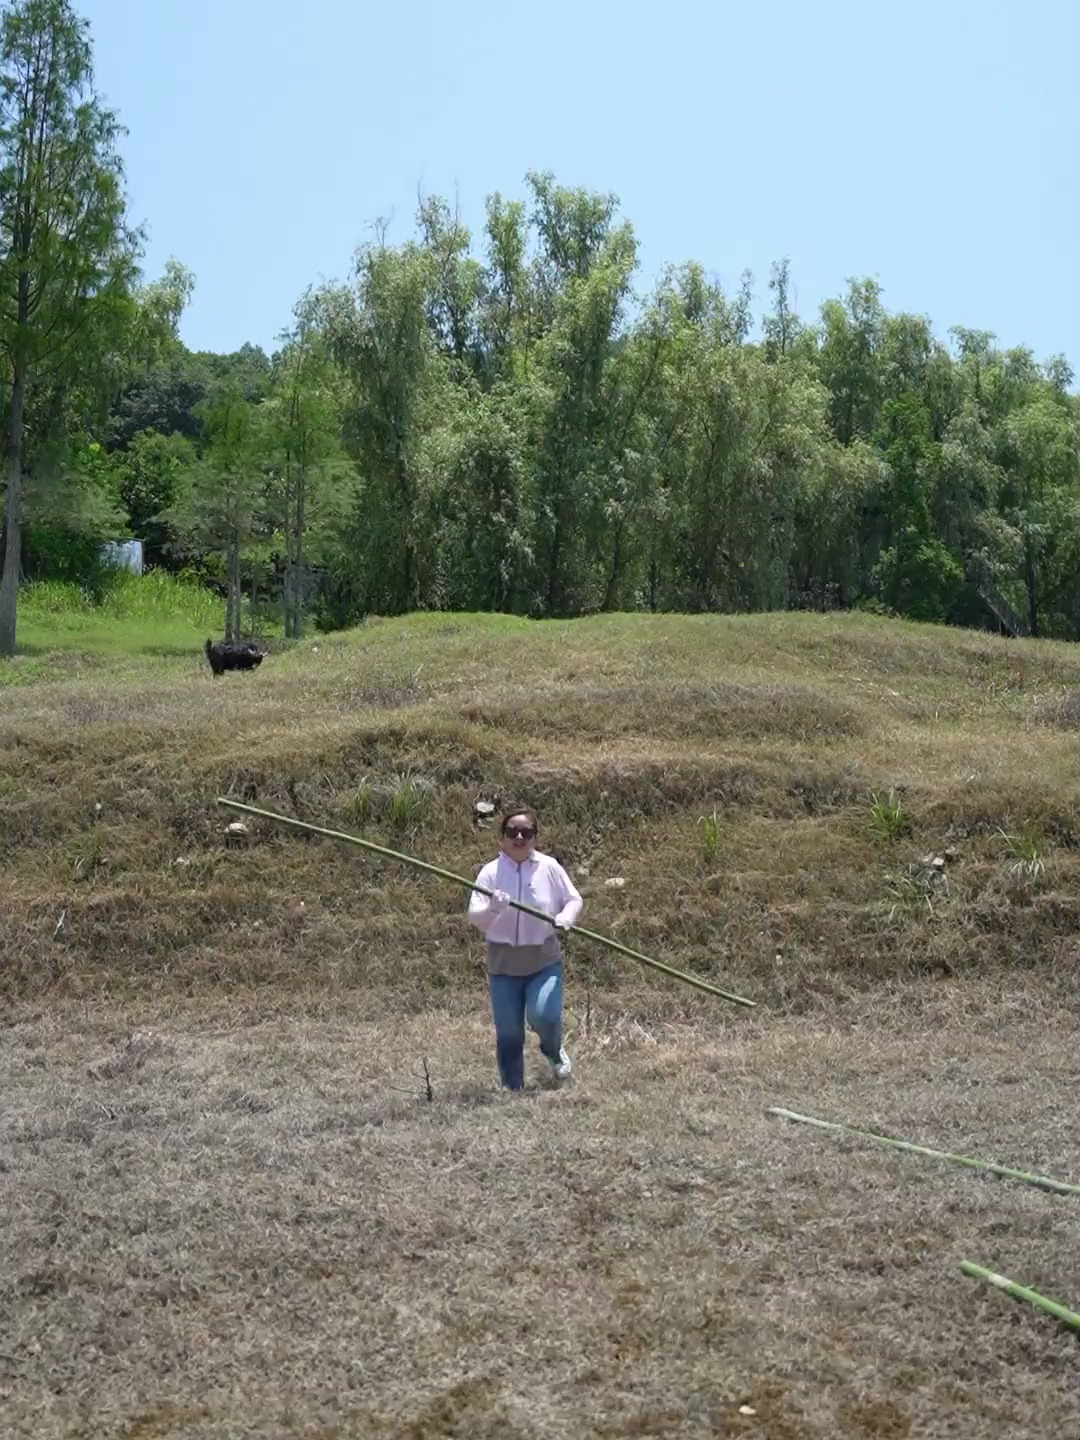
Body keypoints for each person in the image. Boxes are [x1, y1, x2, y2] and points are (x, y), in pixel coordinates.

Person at [467, 807, 583, 1090]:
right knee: (509, 1033)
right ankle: (512, 1087)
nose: (519, 837)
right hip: (503, 964)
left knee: (545, 1015)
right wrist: (493, 909)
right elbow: (476, 917)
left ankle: (553, 1051)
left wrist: (566, 917)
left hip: (542, 959)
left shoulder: (549, 867)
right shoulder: (490, 873)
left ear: (535, 838)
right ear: (501, 838)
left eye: (526, 832)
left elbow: (573, 899)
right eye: (512, 832)